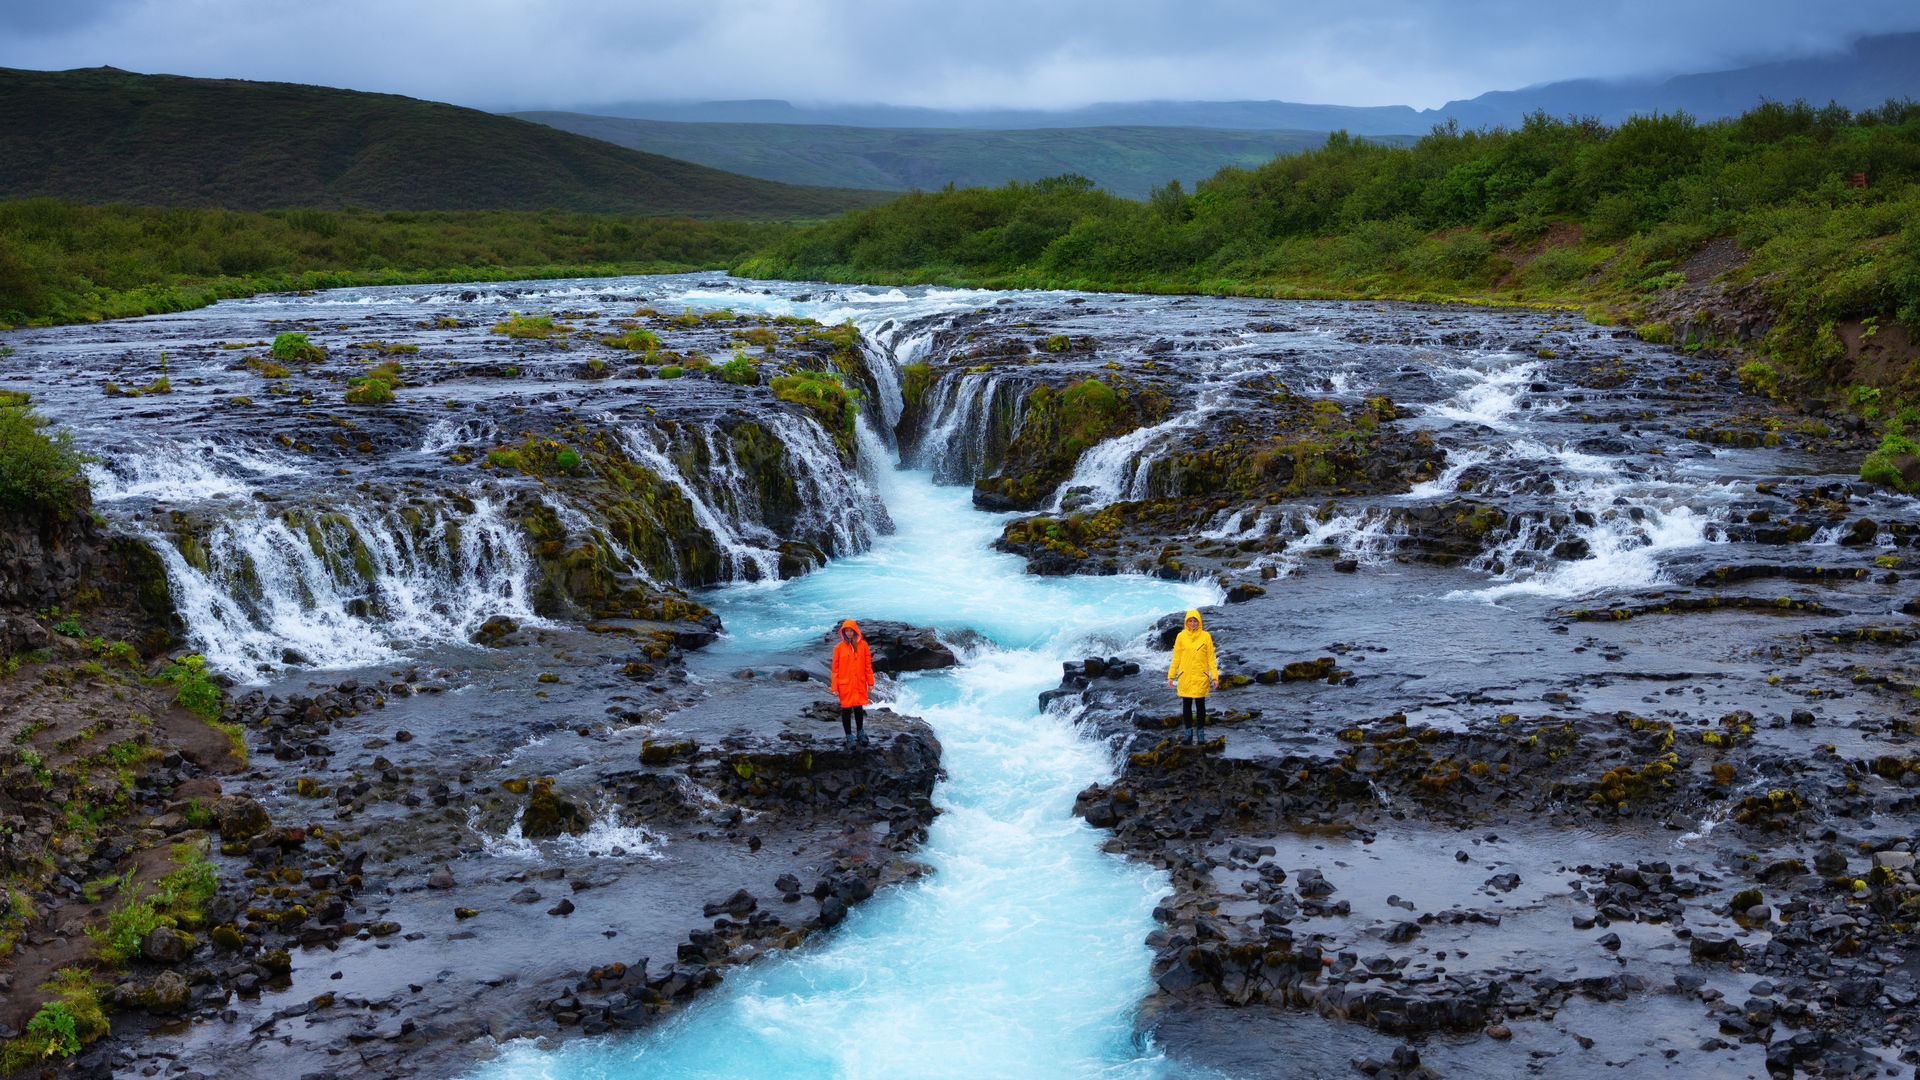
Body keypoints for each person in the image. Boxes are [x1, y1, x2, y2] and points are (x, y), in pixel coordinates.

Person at [1167, 608, 1218, 744]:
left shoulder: (1206, 636)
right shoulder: (1181, 637)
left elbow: (1211, 658)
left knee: (1200, 705)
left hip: (1200, 676)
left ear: (1199, 622)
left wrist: (1214, 677)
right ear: (1186, 622)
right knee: (1187, 705)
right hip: (1185, 676)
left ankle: (1200, 733)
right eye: (1190, 621)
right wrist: (1171, 676)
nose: (1193, 623)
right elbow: (1176, 658)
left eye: (1195, 621)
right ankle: (1188, 734)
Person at [831, 618, 875, 747]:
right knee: (846, 710)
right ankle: (849, 735)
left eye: (851, 631)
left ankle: (860, 732)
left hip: (859, 683)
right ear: (843, 632)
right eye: (847, 631)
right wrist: (834, 687)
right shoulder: (838, 648)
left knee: (858, 709)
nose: (849, 633)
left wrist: (870, 682)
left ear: (855, 631)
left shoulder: (864, 646)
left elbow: (868, 665)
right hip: (845, 684)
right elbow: (835, 670)